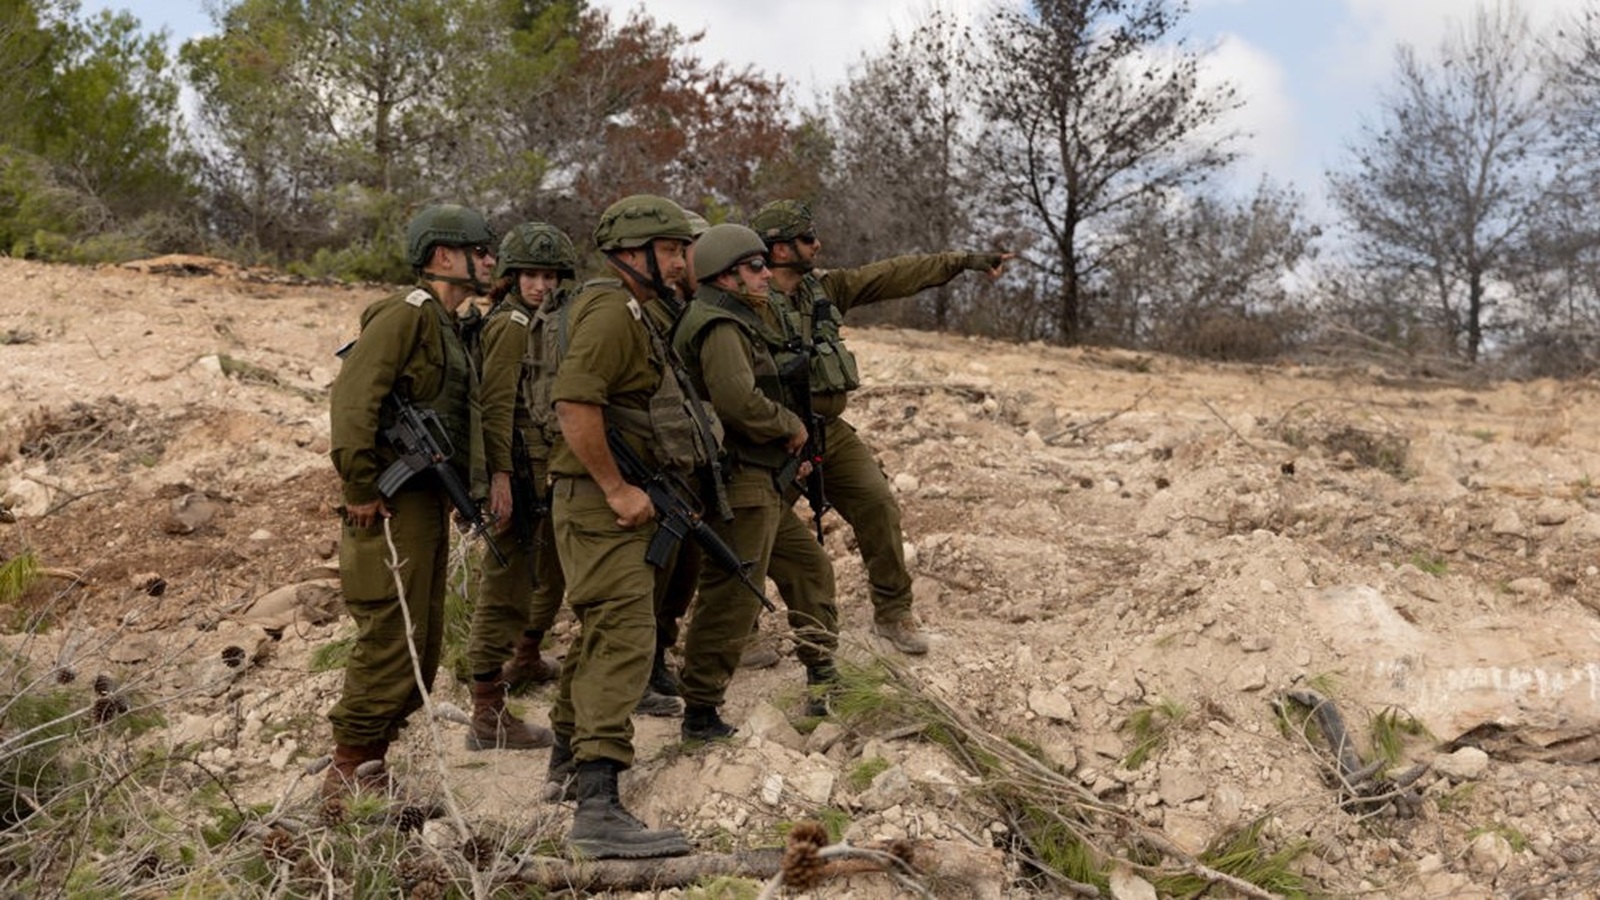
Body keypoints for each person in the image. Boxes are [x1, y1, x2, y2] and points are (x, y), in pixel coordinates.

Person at [750, 199, 1012, 656]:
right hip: (769, 439)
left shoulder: (825, 289)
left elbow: (896, 274)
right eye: (807, 238)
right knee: (754, 529)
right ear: (778, 249)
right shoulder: (746, 300)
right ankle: (737, 633)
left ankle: (893, 614)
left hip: (826, 430)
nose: (818, 244)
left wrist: (964, 263)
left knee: (877, 505)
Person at [543, 194, 706, 859]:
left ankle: (564, 757)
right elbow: (574, 403)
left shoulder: (636, 309)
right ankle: (598, 807)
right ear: (632, 253)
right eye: (668, 250)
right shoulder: (613, 311)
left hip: (600, 499)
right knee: (625, 635)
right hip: (598, 500)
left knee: (604, 627)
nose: (676, 262)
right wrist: (616, 487)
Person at [323, 203, 498, 797]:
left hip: (421, 502)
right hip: (387, 504)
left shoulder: (451, 327)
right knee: (390, 638)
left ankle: (372, 766)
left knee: (421, 647)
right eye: (481, 251)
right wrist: (361, 487)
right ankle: (347, 772)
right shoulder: (406, 315)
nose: (491, 261)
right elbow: (353, 401)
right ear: (444, 256)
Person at [670, 224, 841, 738]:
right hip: (739, 481)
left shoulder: (733, 315)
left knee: (809, 568)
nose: (767, 274)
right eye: (755, 266)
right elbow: (737, 402)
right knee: (734, 594)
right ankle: (700, 709)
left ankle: (824, 678)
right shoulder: (719, 324)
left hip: (759, 478)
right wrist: (787, 427)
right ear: (726, 276)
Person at [460, 223, 577, 752]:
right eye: (531, 273)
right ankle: (487, 711)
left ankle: (525, 657)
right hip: (519, 472)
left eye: (550, 275)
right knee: (504, 586)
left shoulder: (543, 322)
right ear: (511, 276)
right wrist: (499, 478)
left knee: (547, 571)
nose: (541, 284)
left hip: (542, 467)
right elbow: (496, 404)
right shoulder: (510, 324)